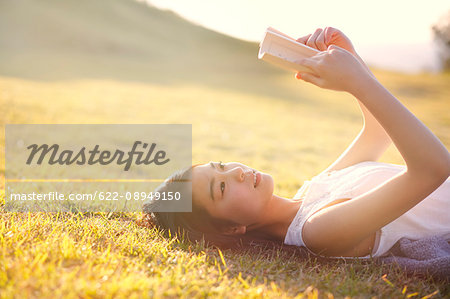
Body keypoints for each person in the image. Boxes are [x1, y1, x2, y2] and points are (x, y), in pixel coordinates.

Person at [142, 27, 450, 258]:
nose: (235, 172)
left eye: (220, 166)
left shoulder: (311, 191)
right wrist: (357, 81)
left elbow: (376, 133)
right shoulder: (317, 230)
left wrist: (350, 58)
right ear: (230, 228)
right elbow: (432, 169)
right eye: (220, 188)